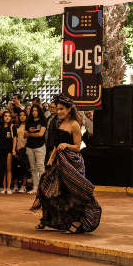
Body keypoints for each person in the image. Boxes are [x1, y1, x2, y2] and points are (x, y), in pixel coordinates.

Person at [32, 94, 101, 234]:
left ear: (69, 109)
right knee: (47, 188)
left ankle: (76, 221)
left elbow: (77, 147)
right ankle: (49, 219)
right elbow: (56, 146)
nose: (59, 111)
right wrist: (51, 159)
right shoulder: (58, 123)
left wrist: (66, 145)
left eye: (61, 109)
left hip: (72, 163)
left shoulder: (75, 124)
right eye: (57, 109)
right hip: (59, 161)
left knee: (72, 194)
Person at [24, 104, 47, 194]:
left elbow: (41, 134)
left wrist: (31, 133)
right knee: (33, 168)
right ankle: (35, 187)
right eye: (33, 111)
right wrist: (29, 132)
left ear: (39, 111)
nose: (34, 112)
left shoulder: (43, 120)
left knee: (41, 167)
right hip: (29, 147)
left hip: (40, 146)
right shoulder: (29, 121)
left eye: (36, 110)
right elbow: (25, 135)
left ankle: (43, 187)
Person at [0, 110, 16, 193]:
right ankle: (3, 187)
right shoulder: (0, 127)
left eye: (8, 116)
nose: (7, 117)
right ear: (3, 118)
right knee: (2, 169)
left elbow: (14, 138)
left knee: (8, 168)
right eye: (5, 116)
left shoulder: (12, 126)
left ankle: (9, 187)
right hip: (1, 149)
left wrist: (13, 149)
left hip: (9, 149)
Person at [13, 109, 29, 193]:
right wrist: (15, 147)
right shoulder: (16, 126)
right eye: (21, 115)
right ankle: (15, 185)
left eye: (24, 115)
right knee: (15, 168)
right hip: (16, 149)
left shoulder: (28, 125)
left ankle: (23, 186)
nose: (22, 117)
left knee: (24, 168)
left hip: (25, 149)